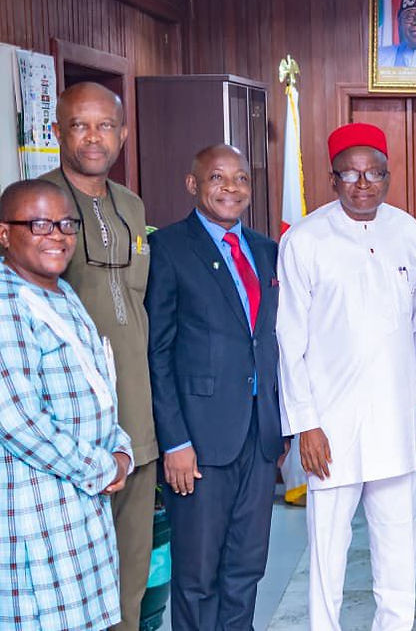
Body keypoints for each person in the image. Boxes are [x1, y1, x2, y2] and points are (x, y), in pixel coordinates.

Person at [277, 122, 416, 631]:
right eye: (351, 173)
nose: (363, 184)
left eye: (374, 174)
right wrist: (306, 423)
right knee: (328, 549)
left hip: (395, 413)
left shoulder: (407, 231)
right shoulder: (305, 240)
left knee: (398, 544)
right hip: (331, 423)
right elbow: (290, 339)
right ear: (332, 178)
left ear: (388, 177)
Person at [145, 144, 284, 630]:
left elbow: (270, 343)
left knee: (246, 568)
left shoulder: (266, 250)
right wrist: (175, 441)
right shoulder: (168, 248)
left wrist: (279, 426)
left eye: (241, 179)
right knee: (198, 575)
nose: (231, 189)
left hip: (259, 438)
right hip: (198, 444)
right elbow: (157, 353)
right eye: (218, 178)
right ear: (193, 184)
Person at [40, 81, 156, 631]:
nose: (93, 137)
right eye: (80, 125)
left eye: (105, 126)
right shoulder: (37, 206)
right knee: (69, 581)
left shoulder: (131, 204)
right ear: (57, 131)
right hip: (72, 431)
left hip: (137, 417)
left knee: (131, 572)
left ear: (123, 135)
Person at [0, 179, 132, 630]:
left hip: (80, 505)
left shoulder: (58, 290)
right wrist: (103, 467)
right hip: (37, 510)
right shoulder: (7, 303)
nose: (56, 234)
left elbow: (98, 384)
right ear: (4, 234)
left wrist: (121, 450)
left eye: (65, 224)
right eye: (39, 224)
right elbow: (18, 423)